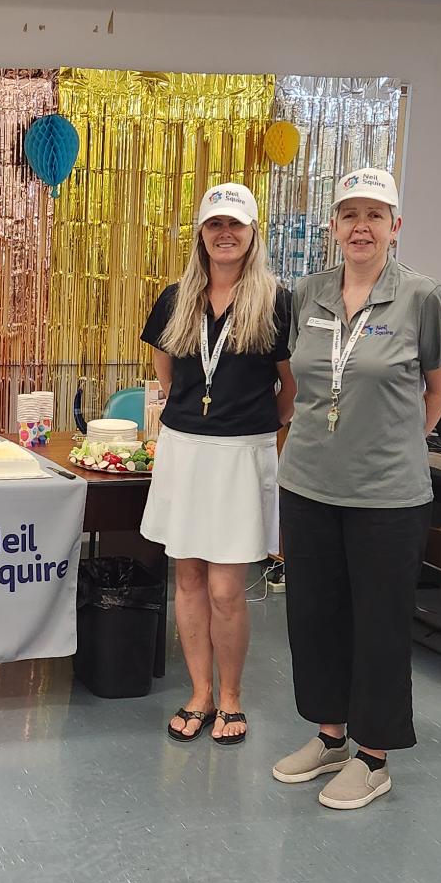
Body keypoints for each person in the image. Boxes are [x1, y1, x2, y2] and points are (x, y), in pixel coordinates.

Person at [270, 167, 441, 810]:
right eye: (350, 214)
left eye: (375, 215)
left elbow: (440, 385)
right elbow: (296, 382)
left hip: (387, 494)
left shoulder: (421, 297)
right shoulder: (306, 294)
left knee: (377, 623)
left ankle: (373, 756)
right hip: (309, 483)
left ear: (396, 228)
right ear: (333, 226)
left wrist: (401, 441)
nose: (361, 226)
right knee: (316, 617)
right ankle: (329, 737)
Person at [140, 182, 291, 747]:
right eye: (214, 225)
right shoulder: (177, 297)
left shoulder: (276, 302)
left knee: (228, 588)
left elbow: (290, 388)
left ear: (252, 234)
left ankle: (232, 698)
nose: (224, 234)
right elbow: (166, 373)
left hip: (241, 454)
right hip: (185, 449)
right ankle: (200, 693)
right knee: (189, 578)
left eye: (236, 225)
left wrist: (248, 424)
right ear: (201, 235)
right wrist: (198, 416)